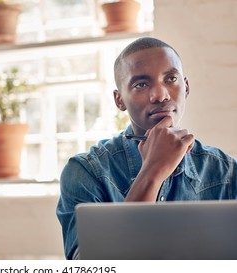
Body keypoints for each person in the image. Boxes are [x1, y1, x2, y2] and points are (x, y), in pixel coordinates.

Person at [56, 37, 237, 260]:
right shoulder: (85, 172)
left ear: (186, 87)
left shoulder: (226, 170)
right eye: (141, 84)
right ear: (119, 100)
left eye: (171, 78)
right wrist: (152, 171)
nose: (161, 95)